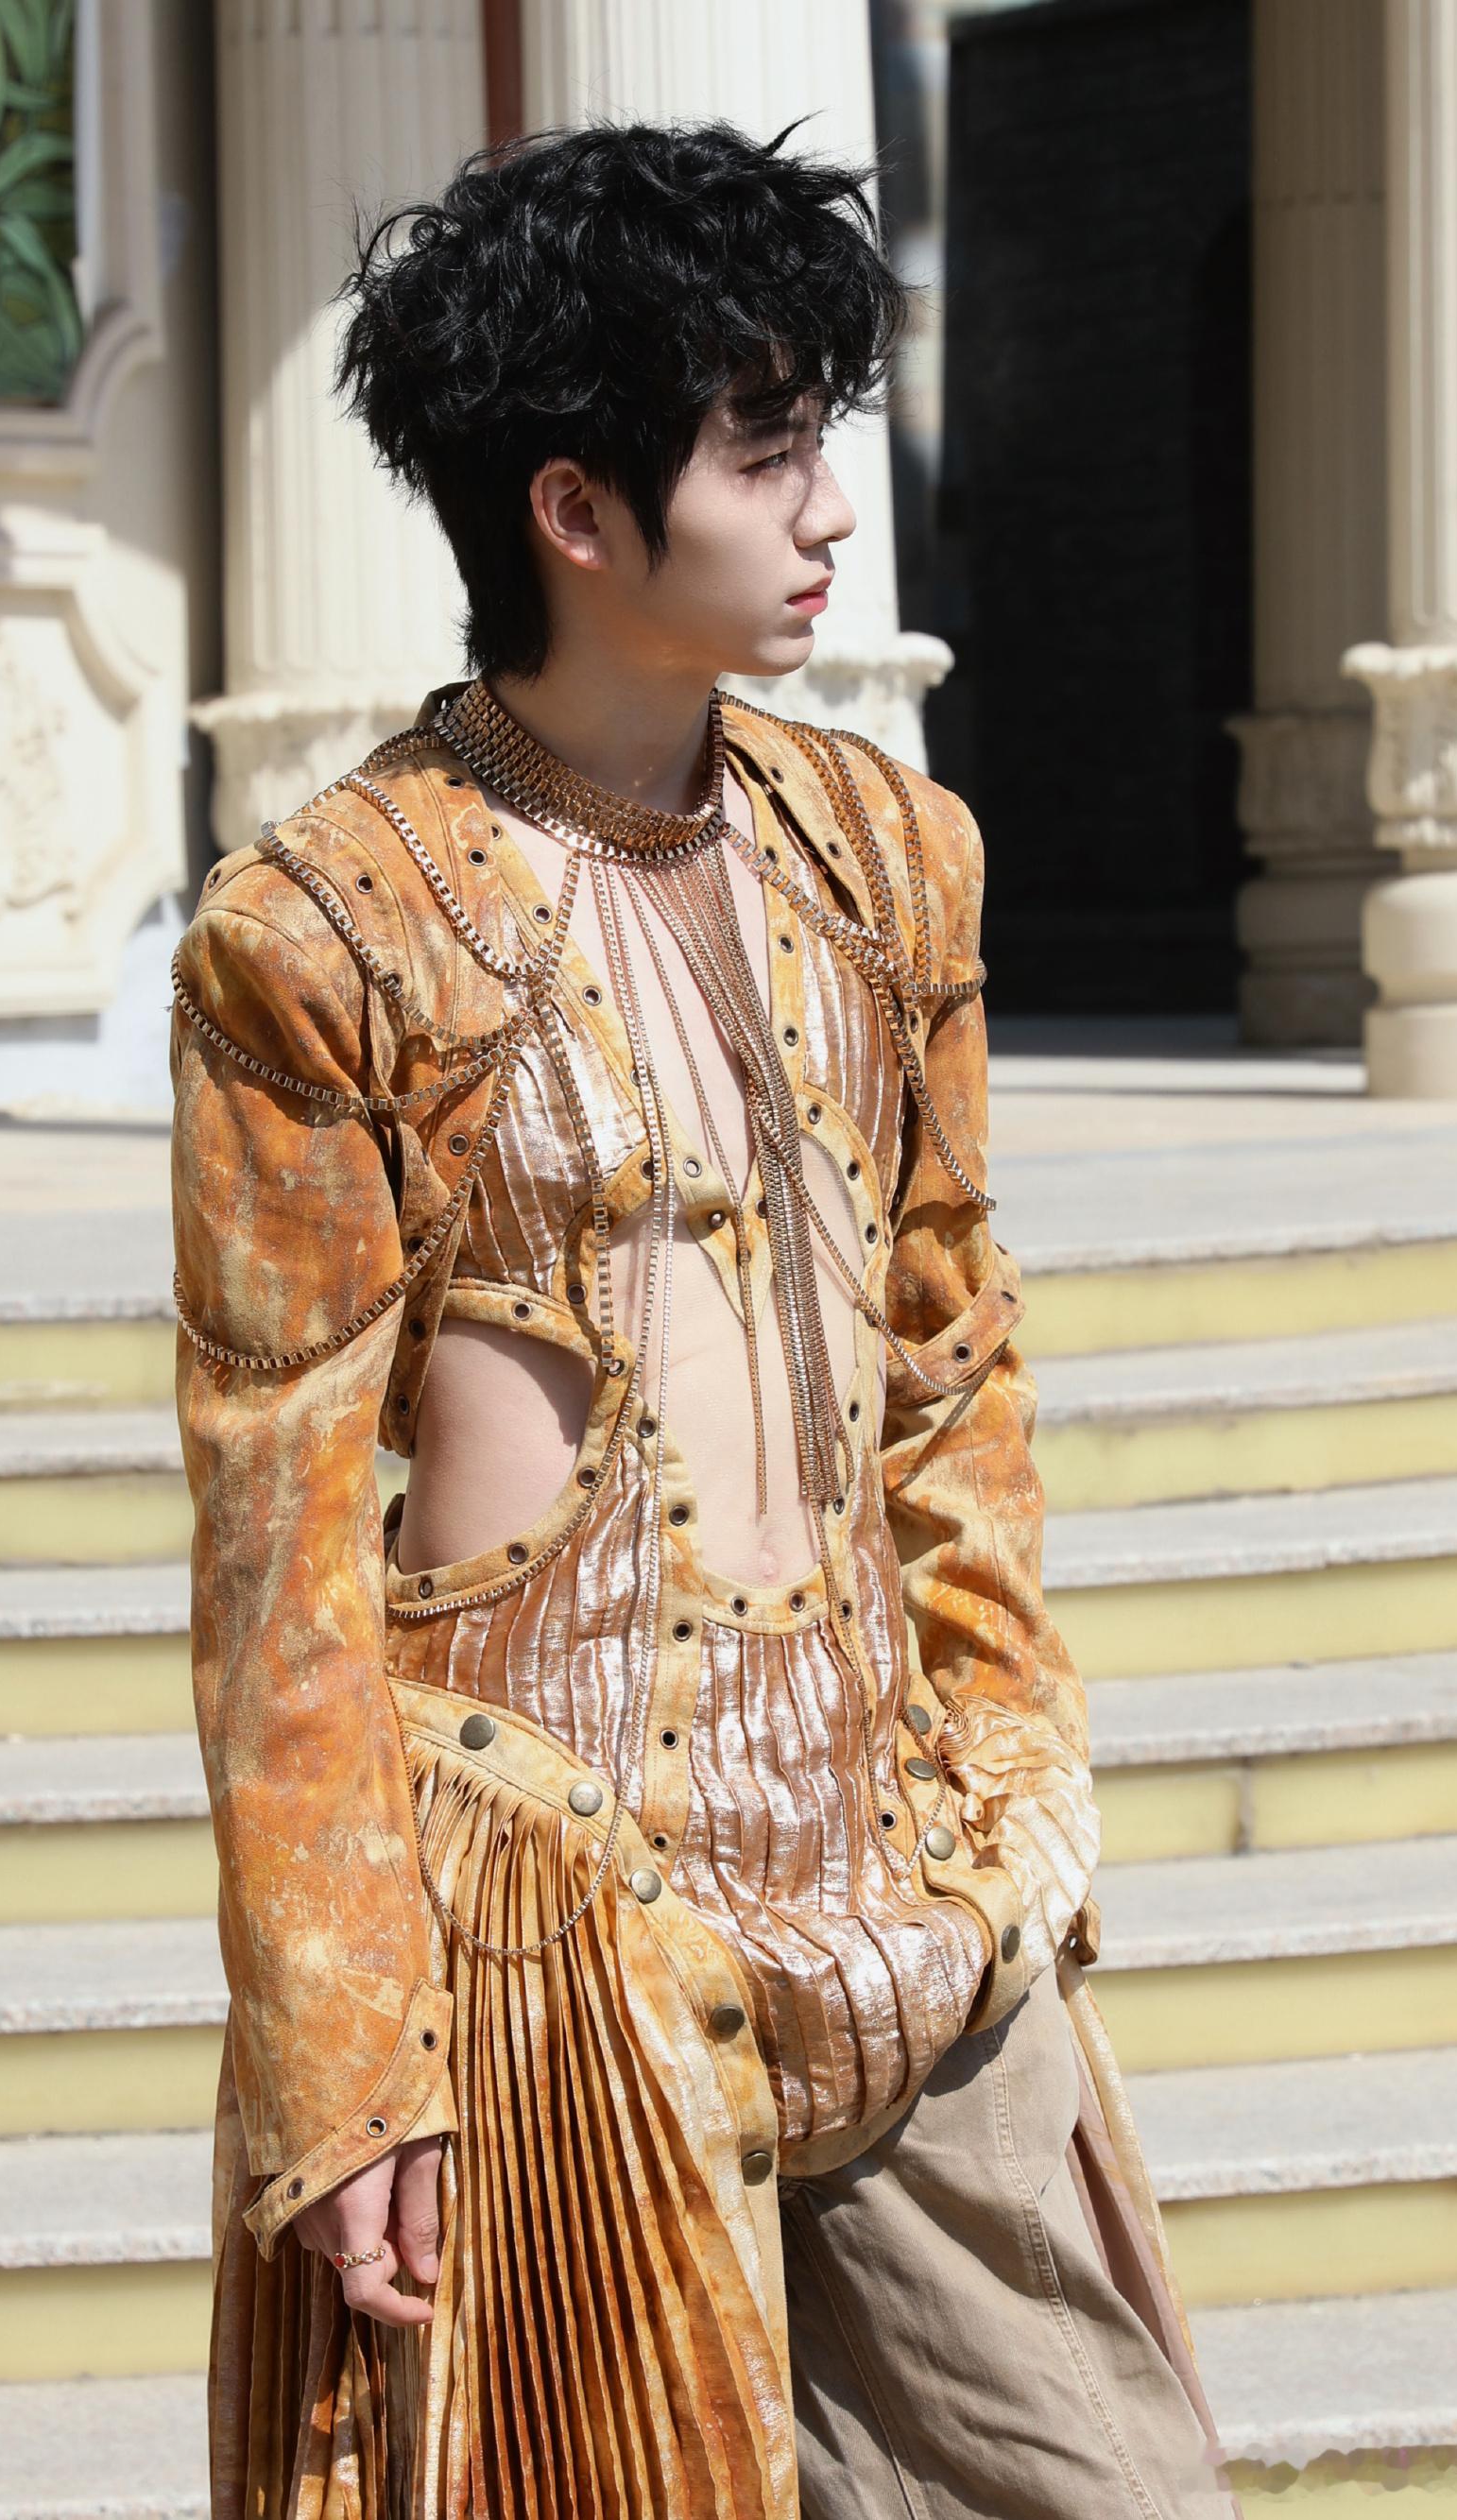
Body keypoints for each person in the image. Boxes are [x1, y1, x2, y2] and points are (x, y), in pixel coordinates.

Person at [171, 116, 1242, 2520]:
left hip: (905, 1879)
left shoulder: (892, 851)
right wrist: (346, 2048)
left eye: (816, 437)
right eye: (763, 453)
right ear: (574, 509)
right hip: (552, 1941)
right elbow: (277, 1547)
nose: (828, 506)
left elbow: (950, 1358)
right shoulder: (321, 934)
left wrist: (1013, 1775)